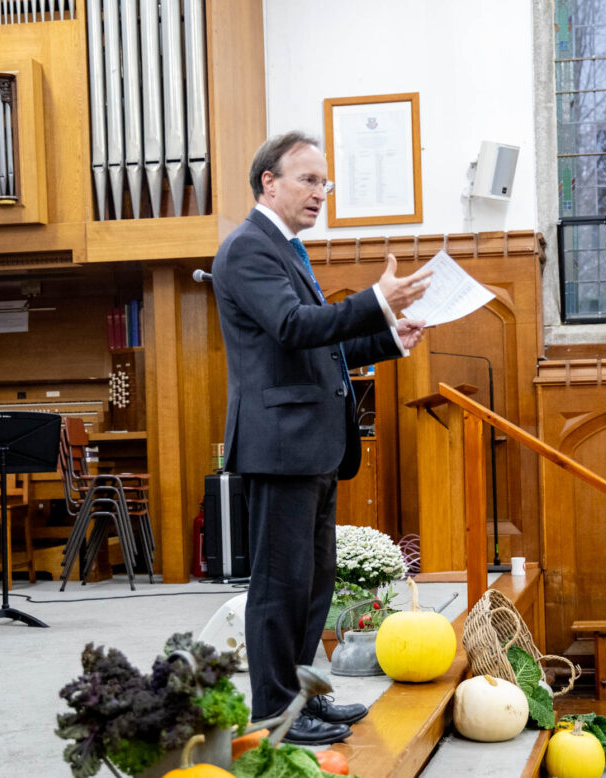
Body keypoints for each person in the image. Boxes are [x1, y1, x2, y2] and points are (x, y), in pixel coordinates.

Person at [212, 131, 431, 744]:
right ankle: (275, 715)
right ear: (269, 182)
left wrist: (389, 338)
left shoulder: (286, 250)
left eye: (325, 183)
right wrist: (375, 299)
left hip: (309, 444)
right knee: (280, 588)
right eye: (308, 180)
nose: (320, 193)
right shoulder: (248, 249)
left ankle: (303, 699)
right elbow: (292, 327)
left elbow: (321, 345)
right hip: (280, 445)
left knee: (311, 586)